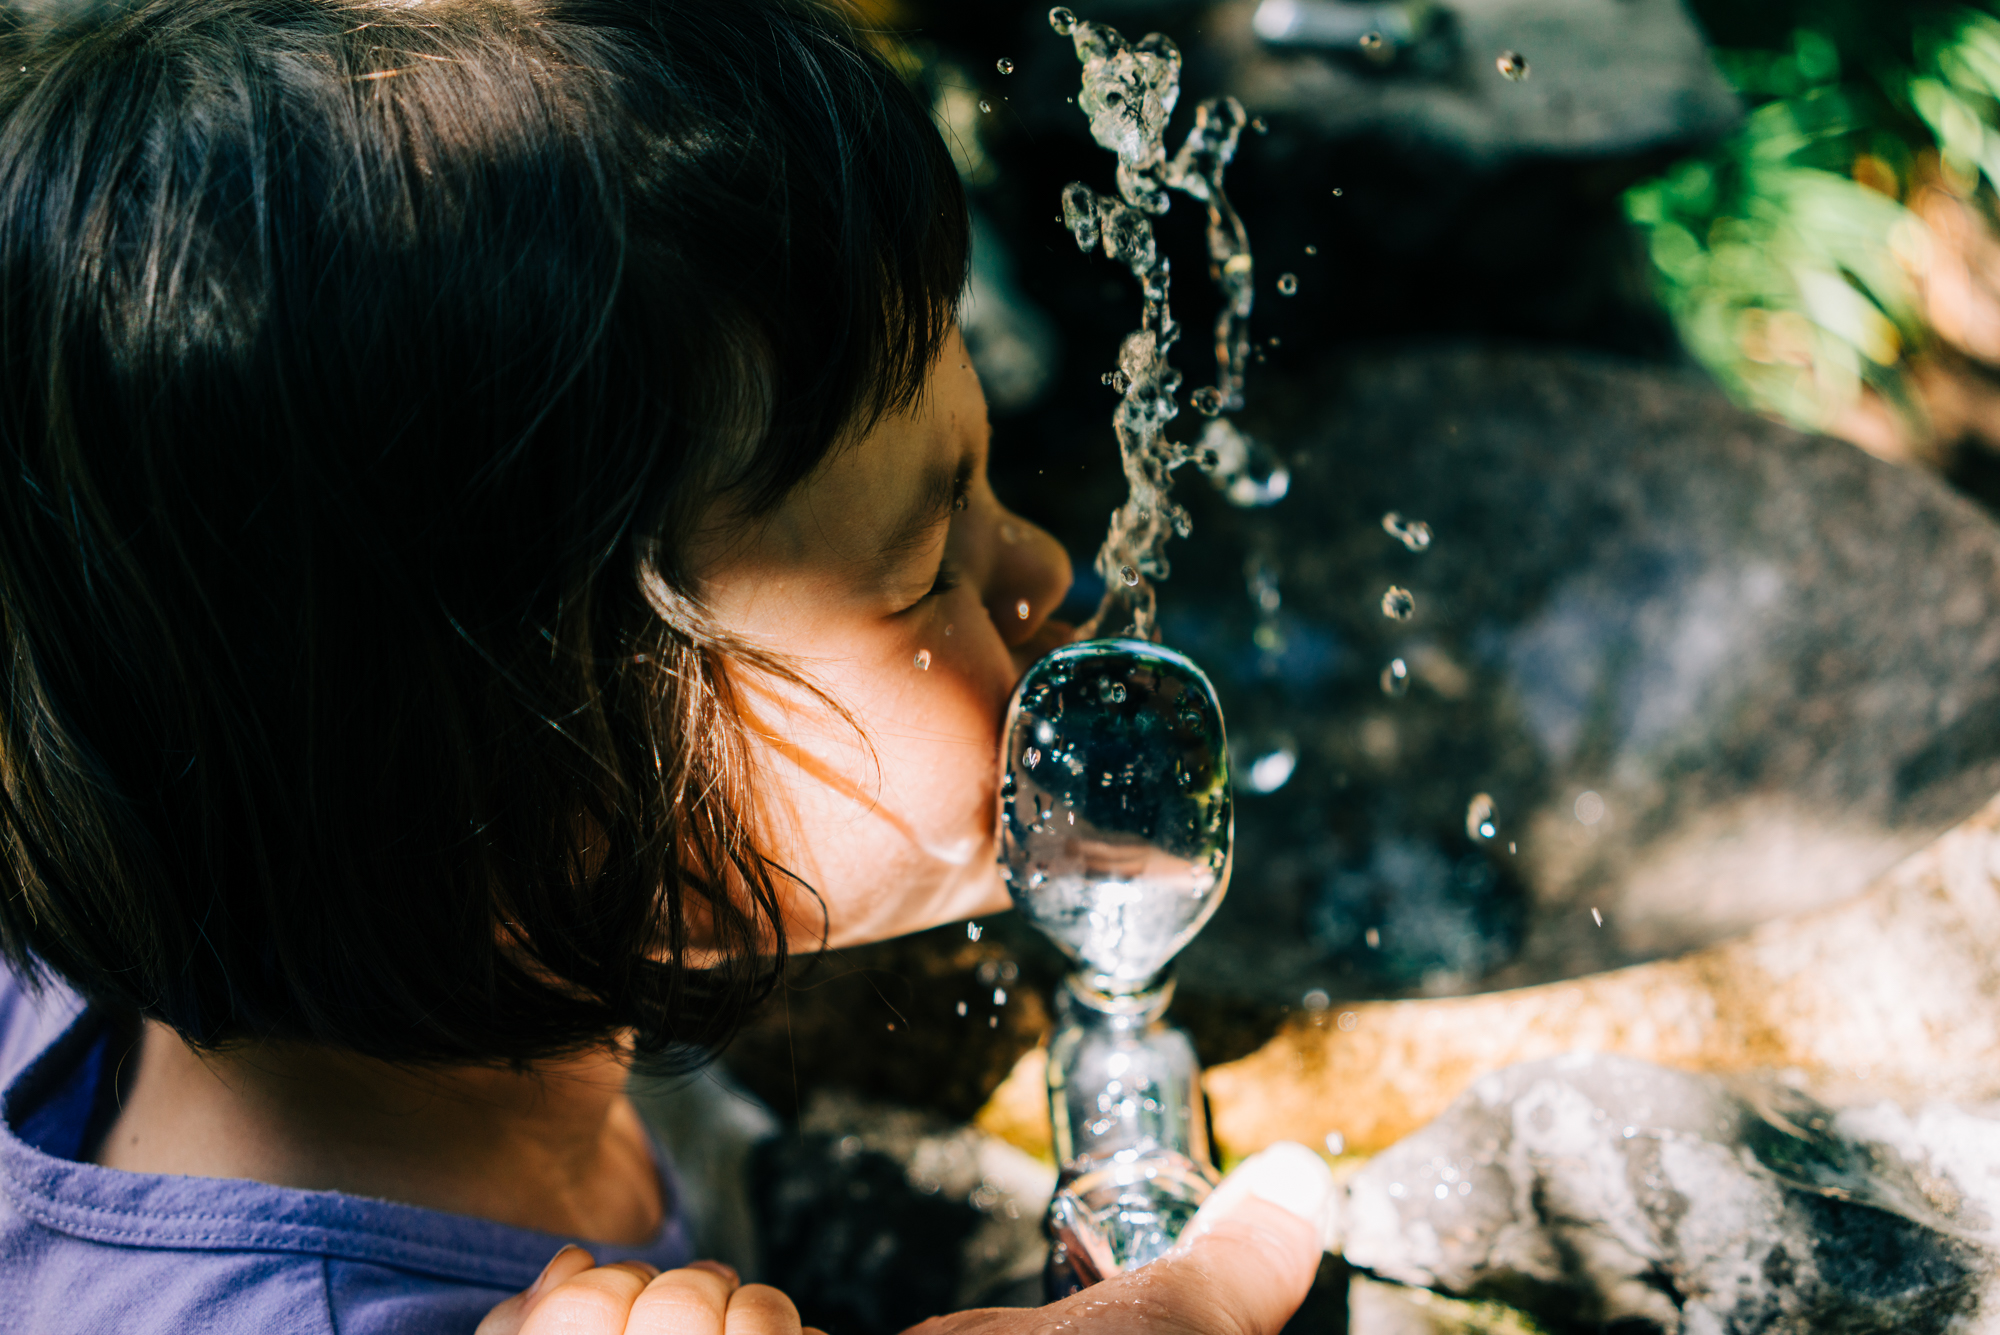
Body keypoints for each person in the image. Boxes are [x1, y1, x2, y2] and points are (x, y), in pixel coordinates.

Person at [0, 0, 1336, 1331]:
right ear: (535, 792)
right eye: (930, 563)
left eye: (984, 478)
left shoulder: (237, 868)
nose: (1045, 567)